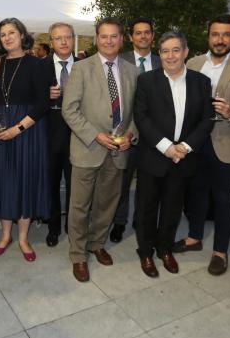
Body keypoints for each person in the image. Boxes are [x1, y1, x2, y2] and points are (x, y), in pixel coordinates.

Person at [174, 14, 230, 275]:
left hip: (227, 142)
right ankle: (195, 237)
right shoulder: (194, 63)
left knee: (223, 199)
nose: (220, 40)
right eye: (215, 34)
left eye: (226, 35)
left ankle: (220, 251)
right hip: (196, 142)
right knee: (196, 195)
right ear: (208, 36)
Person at [62, 17, 137, 281]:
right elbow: (69, 110)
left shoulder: (131, 70)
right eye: (103, 36)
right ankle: (78, 254)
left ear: (121, 38)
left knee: (107, 203)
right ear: (96, 39)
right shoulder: (81, 68)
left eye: (114, 36)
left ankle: (97, 244)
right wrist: (95, 135)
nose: (108, 41)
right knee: (80, 205)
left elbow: (137, 112)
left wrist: (131, 134)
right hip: (87, 148)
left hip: (119, 151)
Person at [133, 31, 213, 277]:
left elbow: (206, 119)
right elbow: (142, 117)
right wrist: (166, 146)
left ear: (186, 52)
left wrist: (184, 147)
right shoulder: (147, 81)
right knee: (146, 208)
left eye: (176, 50)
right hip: (153, 156)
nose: (170, 56)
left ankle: (165, 249)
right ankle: (146, 252)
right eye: (165, 51)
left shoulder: (201, 82)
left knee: (172, 208)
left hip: (184, 158)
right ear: (160, 54)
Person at [0, 18, 50, 261]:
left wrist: (18, 128)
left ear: (22, 35)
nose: (7, 37)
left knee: (24, 180)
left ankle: (23, 238)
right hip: (0, 128)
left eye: (12, 32)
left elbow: (44, 103)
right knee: (4, 180)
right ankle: (5, 235)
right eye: (3, 34)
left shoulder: (36, 64)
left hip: (28, 130)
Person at [111, 18, 161, 243]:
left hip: (155, 136)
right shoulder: (118, 61)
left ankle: (141, 221)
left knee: (148, 185)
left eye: (147, 32)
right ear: (130, 37)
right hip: (126, 133)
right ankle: (119, 222)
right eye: (138, 33)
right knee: (122, 183)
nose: (142, 36)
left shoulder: (164, 62)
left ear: (152, 36)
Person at [44, 22, 78, 247]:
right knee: (51, 184)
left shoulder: (87, 65)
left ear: (74, 39)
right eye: (58, 38)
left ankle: (73, 228)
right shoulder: (40, 66)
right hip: (50, 134)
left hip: (79, 135)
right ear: (51, 42)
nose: (64, 42)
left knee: (77, 186)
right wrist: (44, 95)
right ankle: (53, 226)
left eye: (67, 37)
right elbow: (31, 100)